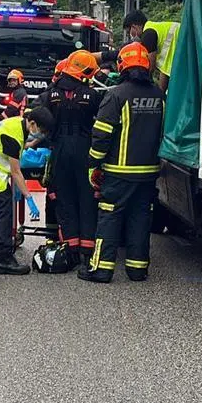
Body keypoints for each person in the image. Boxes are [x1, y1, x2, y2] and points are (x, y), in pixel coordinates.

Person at [81, 42, 166, 284]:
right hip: (149, 172)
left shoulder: (116, 95)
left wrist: (93, 164)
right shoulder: (159, 96)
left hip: (119, 172)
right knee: (140, 217)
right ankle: (137, 269)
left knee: (110, 216)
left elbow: (102, 134)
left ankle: (102, 270)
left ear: (122, 66)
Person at [0, 107, 55, 275]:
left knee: (1, 209)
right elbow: (16, 172)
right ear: (32, 123)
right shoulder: (13, 135)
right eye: (41, 130)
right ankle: (3, 259)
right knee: (4, 210)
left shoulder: (19, 124)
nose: (42, 134)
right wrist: (29, 198)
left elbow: (25, 146)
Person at [43, 49, 102, 268]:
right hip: (84, 151)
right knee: (87, 198)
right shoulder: (92, 95)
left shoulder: (50, 94)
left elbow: (39, 120)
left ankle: (70, 250)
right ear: (85, 72)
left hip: (58, 152)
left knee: (64, 199)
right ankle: (88, 251)